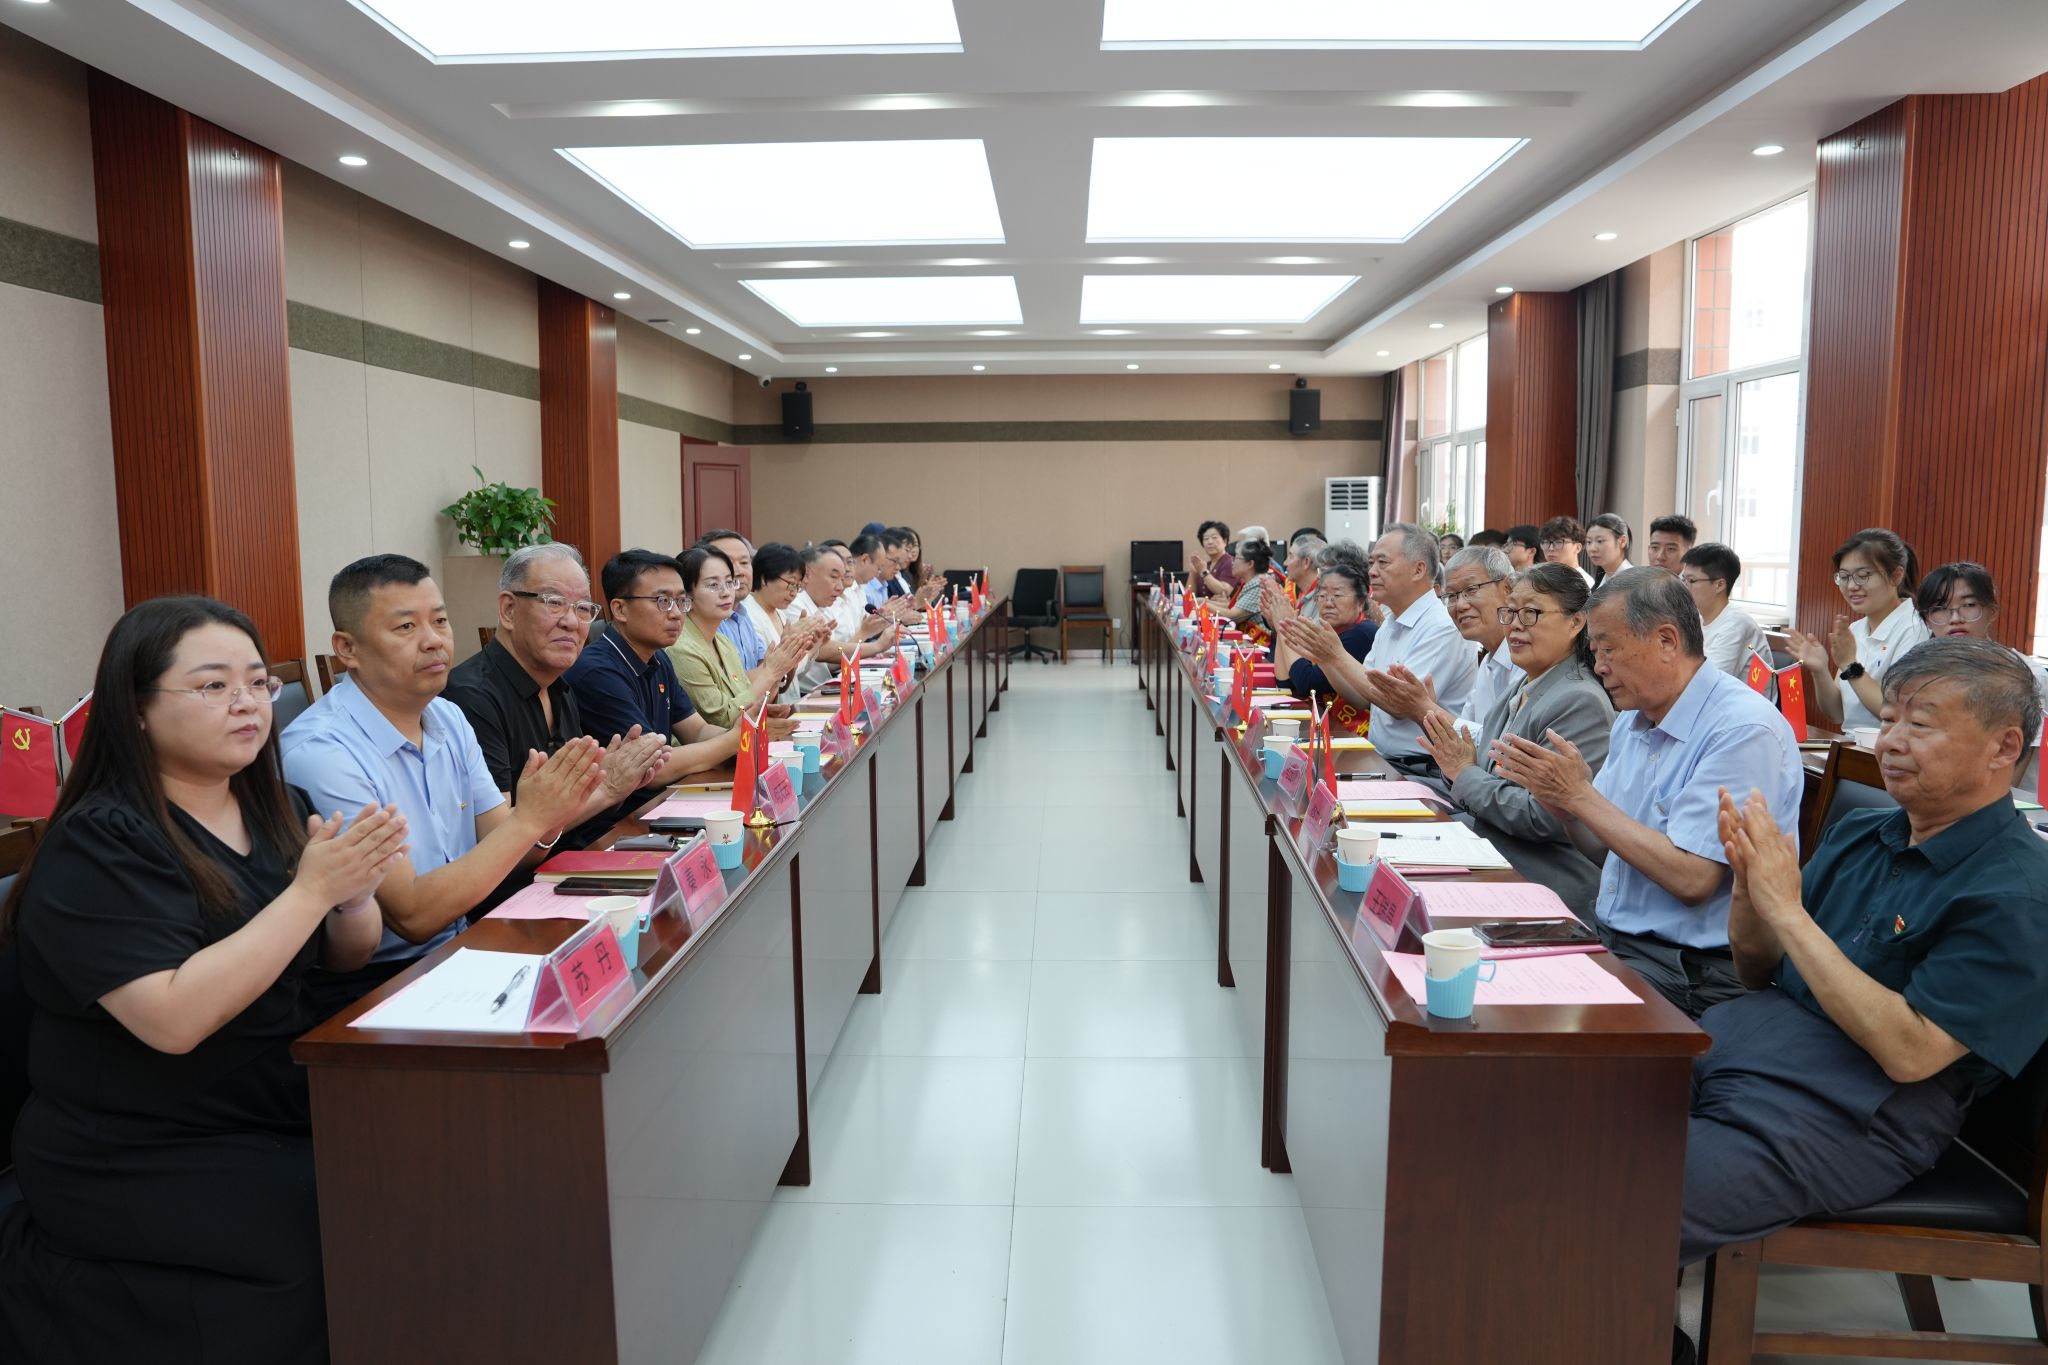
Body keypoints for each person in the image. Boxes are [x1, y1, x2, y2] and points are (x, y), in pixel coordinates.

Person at [0, 596, 403, 1362]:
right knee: (339, 1234)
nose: (247, 702)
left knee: (418, 1178)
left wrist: (352, 896)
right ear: (136, 708)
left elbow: (342, 954)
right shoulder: (99, 841)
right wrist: (311, 892)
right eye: (214, 685)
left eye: (257, 681)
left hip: (266, 1098)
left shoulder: (276, 803)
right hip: (135, 1140)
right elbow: (173, 1018)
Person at [1676, 640, 2048, 1319]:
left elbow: (1912, 1053)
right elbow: (1757, 972)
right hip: (1736, 1047)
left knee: (1615, 1194)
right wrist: (1750, 892)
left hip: (1844, 1111)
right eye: (1891, 718)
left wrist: (1788, 911)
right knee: (1559, 1126)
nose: (1891, 741)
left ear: (2003, 747)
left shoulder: (2017, 892)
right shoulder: (1864, 833)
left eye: (1921, 724)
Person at [284, 555, 633, 1012]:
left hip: (462, 944)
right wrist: (531, 819)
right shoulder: (324, 754)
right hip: (372, 985)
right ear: (347, 648)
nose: (433, 640)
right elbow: (412, 915)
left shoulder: (446, 716)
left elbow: (500, 843)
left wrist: (549, 817)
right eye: (406, 627)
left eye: (440, 621)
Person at [1490, 568, 1803, 1018]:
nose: (1599, 666)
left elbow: (1693, 880)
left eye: (1608, 649)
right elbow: (1608, 854)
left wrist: (1581, 798)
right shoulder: (1633, 719)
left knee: (1528, 1018)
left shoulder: (1741, 729)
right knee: (1486, 971)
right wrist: (1564, 809)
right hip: (1616, 938)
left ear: (1666, 641)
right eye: (1595, 651)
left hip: (1689, 970)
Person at [1416, 565, 1616, 914]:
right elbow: (1483, 773)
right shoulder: (1524, 685)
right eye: (1509, 613)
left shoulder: (1579, 699)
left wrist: (1464, 773)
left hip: (1542, 877)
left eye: (1531, 613)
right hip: (1493, 851)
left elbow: (1543, 816)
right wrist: (1459, 767)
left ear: (1576, 622)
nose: (1515, 625)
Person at [443, 544, 666, 849]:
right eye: (554, 603)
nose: (572, 622)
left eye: (583, 608)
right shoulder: (470, 698)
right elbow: (498, 841)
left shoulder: (559, 686)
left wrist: (610, 783)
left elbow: (572, 814)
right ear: (509, 610)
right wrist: (607, 789)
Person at [569, 548, 788, 782]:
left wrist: (747, 728)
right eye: (663, 601)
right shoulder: (598, 671)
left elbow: (697, 731)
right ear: (620, 609)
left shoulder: (658, 658)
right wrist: (737, 738)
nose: (676, 614)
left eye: (681, 601)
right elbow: (651, 770)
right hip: (633, 803)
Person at [1276, 523, 1478, 769]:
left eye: (1383, 563)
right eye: (1372, 563)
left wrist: (1336, 655)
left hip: (1422, 768)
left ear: (1418, 569)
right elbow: (1364, 697)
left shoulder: (1441, 627)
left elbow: (1398, 704)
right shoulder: (1392, 622)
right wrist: (1327, 659)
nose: (1372, 571)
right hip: (1385, 759)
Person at [1361, 546, 1521, 738]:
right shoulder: (1489, 663)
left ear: (1507, 589)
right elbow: (1469, 739)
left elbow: (1503, 744)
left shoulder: (1526, 661)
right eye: (1452, 596)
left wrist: (1423, 708)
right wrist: (1426, 712)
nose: (1460, 605)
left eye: (1471, 590)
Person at [1787, 527, 1929, 734]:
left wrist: (1850, 666)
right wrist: (1820, 670)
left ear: (1896, 576)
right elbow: (1836, 713)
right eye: (1844, 577)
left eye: (1863, 575)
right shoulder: (1856, 629)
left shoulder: (1914, 629)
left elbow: (1896, 712)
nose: (1852, 586)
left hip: (1891, 746)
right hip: (1852, 746)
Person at [668, 545, 808, 729]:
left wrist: (765, 703)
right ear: (686, 595)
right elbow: (723, 719)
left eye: (729, 582)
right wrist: (771, 672)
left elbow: (743, 699)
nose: (726, 592)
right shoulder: (681, 649)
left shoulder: (723, 643)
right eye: (713, 585)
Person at [1914, 561, 2048, 705]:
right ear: (1926, 619)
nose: (1955, 618)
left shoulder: (2029, 676)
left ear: (1992, 611)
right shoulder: (1913, 675)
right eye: (1940, 608)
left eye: (1969, 605)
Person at [1269, 556, 1374, 709]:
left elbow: (1307, 684)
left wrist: (1285, 626)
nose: (1328, 603)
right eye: (1322, 596)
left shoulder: (1361, 633)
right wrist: (1283, 627)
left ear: (1360, 603)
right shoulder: (1328, 631)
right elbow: (1286, 683)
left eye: (1337, 596)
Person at [1679, 543, 1769, 682]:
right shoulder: (1698, 618)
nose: (1684, 587)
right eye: (1683, 579)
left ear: (1719, 585)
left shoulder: (1736, 624)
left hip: (1737, 696)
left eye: (1691, 580)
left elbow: (1708, 681)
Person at [696, 529, 766, 671]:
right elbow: (732, 684)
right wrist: (774, 668)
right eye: (727, 563)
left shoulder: (742, 613)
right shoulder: (707, 620)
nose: (739, 572)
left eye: (744, 562)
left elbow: (763, 665)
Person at [1220, 538, 1282, 643]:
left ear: (1250, 564)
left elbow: (1232, 615)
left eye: (1236, 558)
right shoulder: (1252, 581)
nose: (1232, 562)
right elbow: (1234, 607)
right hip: (1249, 640)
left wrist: (1204, 605)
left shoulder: (1259, 583)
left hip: (1261, 644)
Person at [1187, 520, 1237, 599]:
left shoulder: (1230, 562)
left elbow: (1224, 591)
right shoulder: (1204, 565)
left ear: (1225, 541)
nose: (1210, 542)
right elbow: (1189, 597)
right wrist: (1193, 573)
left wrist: (1204, 572)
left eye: (1214, 538)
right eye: (1206, 539)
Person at [1282, 533, 1327, 622]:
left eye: (1291, 556)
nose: (1285, 563)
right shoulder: (1300, 591)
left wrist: (1281, 621)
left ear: (1306, 562)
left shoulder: (1322, 599)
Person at [1539, 515, 1593, 584]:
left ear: (1577, 548)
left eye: (1558, 542)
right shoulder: (1539, 578)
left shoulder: (1584, 582)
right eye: (1546, 542)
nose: (1551, 548)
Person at [1585, 513, 1633, 584]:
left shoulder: (1634, 581)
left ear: (1622, 541)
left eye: (1600, 541)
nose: (1592, 549)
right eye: (1589, 542)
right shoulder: (1601, 581)